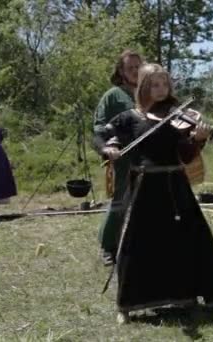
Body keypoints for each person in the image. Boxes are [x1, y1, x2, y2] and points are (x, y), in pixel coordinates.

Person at [94, 63, 213, 324]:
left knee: (185, 241)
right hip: (145, 188)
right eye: (155, 84)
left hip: (175, 186)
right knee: (136, 246)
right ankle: (126, 305)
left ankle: (187, 297)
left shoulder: (176, 116)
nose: (161, 90)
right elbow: (103, 136)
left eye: (165, 84)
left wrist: (198, 139)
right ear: (143, 87)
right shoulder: (129, 118)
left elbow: (184, 155)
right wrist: (109, 149)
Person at [93, 49, 144, 266]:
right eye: (130, 68)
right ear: (121, 71)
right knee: (120, 203)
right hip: (123, 158)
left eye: (138, 67)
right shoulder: (113, 95)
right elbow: (99, 127)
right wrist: (107, 148)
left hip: (149, 158)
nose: (135, 71)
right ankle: (109, 247)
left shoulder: (149, 92)